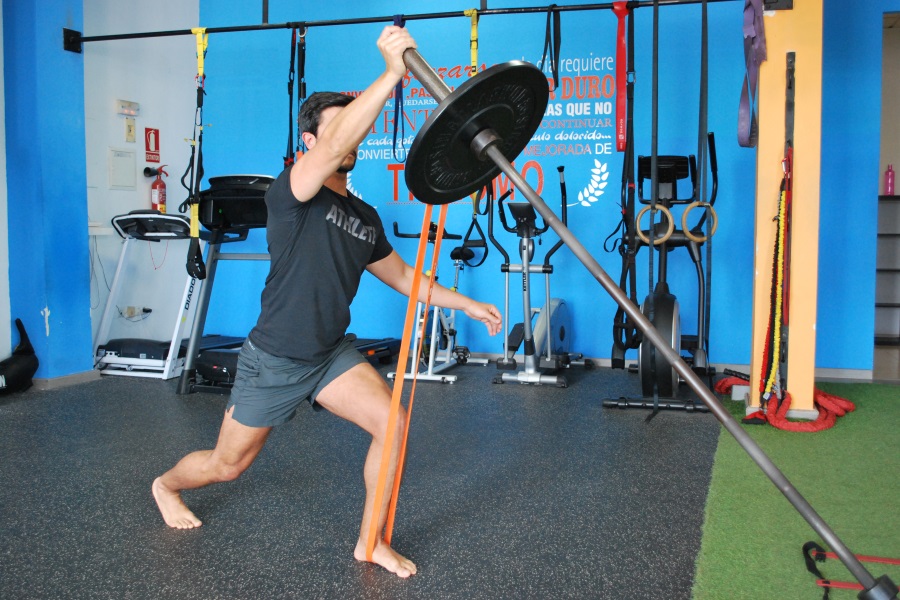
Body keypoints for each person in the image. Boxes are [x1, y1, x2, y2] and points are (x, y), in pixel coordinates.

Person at [152, 26, 502, 579]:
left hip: (331, 355)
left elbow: (408, 277)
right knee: (227, 466)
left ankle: (371, 542)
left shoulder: (364, 219)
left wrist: (466, 305)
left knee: (394, 425)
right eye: (335, 125)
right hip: (275, 358)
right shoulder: (294, 191)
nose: (348, 138)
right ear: (310, 142)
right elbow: (336, 143)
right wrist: (391, 74)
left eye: (351, 124)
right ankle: (165, 484)